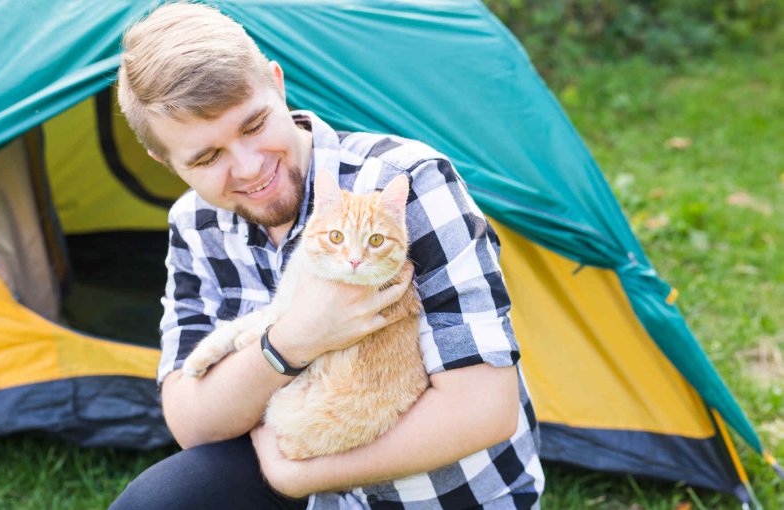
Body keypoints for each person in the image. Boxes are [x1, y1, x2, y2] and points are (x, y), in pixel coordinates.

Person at [110, 3, 544, 509]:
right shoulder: (194, 223)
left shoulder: (408, 184)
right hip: (292, 449)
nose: (249, 169)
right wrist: (292, 341)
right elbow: (192, 420)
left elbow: (484, 412)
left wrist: (294, 474)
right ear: (163, 160)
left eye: (254, 126)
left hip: (433, 496)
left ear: (277, 83)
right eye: (208, 158)